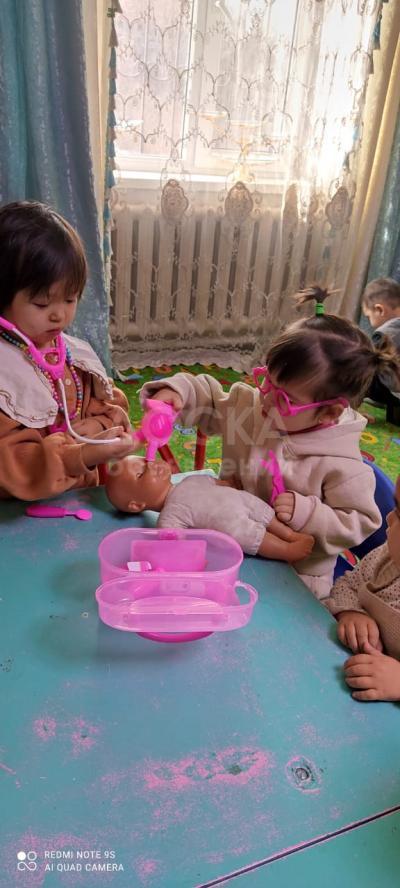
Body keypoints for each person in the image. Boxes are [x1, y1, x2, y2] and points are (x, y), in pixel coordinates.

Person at [135, 287, 400, 600]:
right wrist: (179, 394)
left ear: (330, 412)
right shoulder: (254, 407)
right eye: (267, 380)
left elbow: (360, 522)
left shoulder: (344, 465)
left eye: (286, 399)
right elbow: (210, 399)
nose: (266, 399)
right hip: (232, 544)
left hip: (296, 579)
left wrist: (307, 513)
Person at [0, 200, 133, 500]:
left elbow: (110, 405)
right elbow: (10, 461)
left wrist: (100, 425)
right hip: (20, 513)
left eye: (70, 299)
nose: (59, 315)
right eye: (42, 304)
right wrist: (79, 455)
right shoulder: (5, 375)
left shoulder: (74, 356)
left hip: (79, 500)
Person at [105, 456, 315, 562]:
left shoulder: (188, 480)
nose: (152, 465)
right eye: (141, 473)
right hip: (230, 522)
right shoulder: (171, 514)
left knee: (264, 512)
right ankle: (286, 551)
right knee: (253, 536)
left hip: (240, 499)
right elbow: (172, 542)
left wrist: (228, 483)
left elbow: (213, 483)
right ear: (137, 505)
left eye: (146, 460)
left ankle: (291, 535)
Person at [326, 475, 400, 702]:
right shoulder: (386, 557)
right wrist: (351, 612)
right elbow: (349, 584)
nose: (388, 517)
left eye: (399, 513)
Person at [361, 277, 400, 424]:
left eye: (369, 317)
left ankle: (351, 412)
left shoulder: (384, 334)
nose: (370, 322)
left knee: (362, 367)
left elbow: (366, 369)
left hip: (395, 393)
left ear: (379, 310)